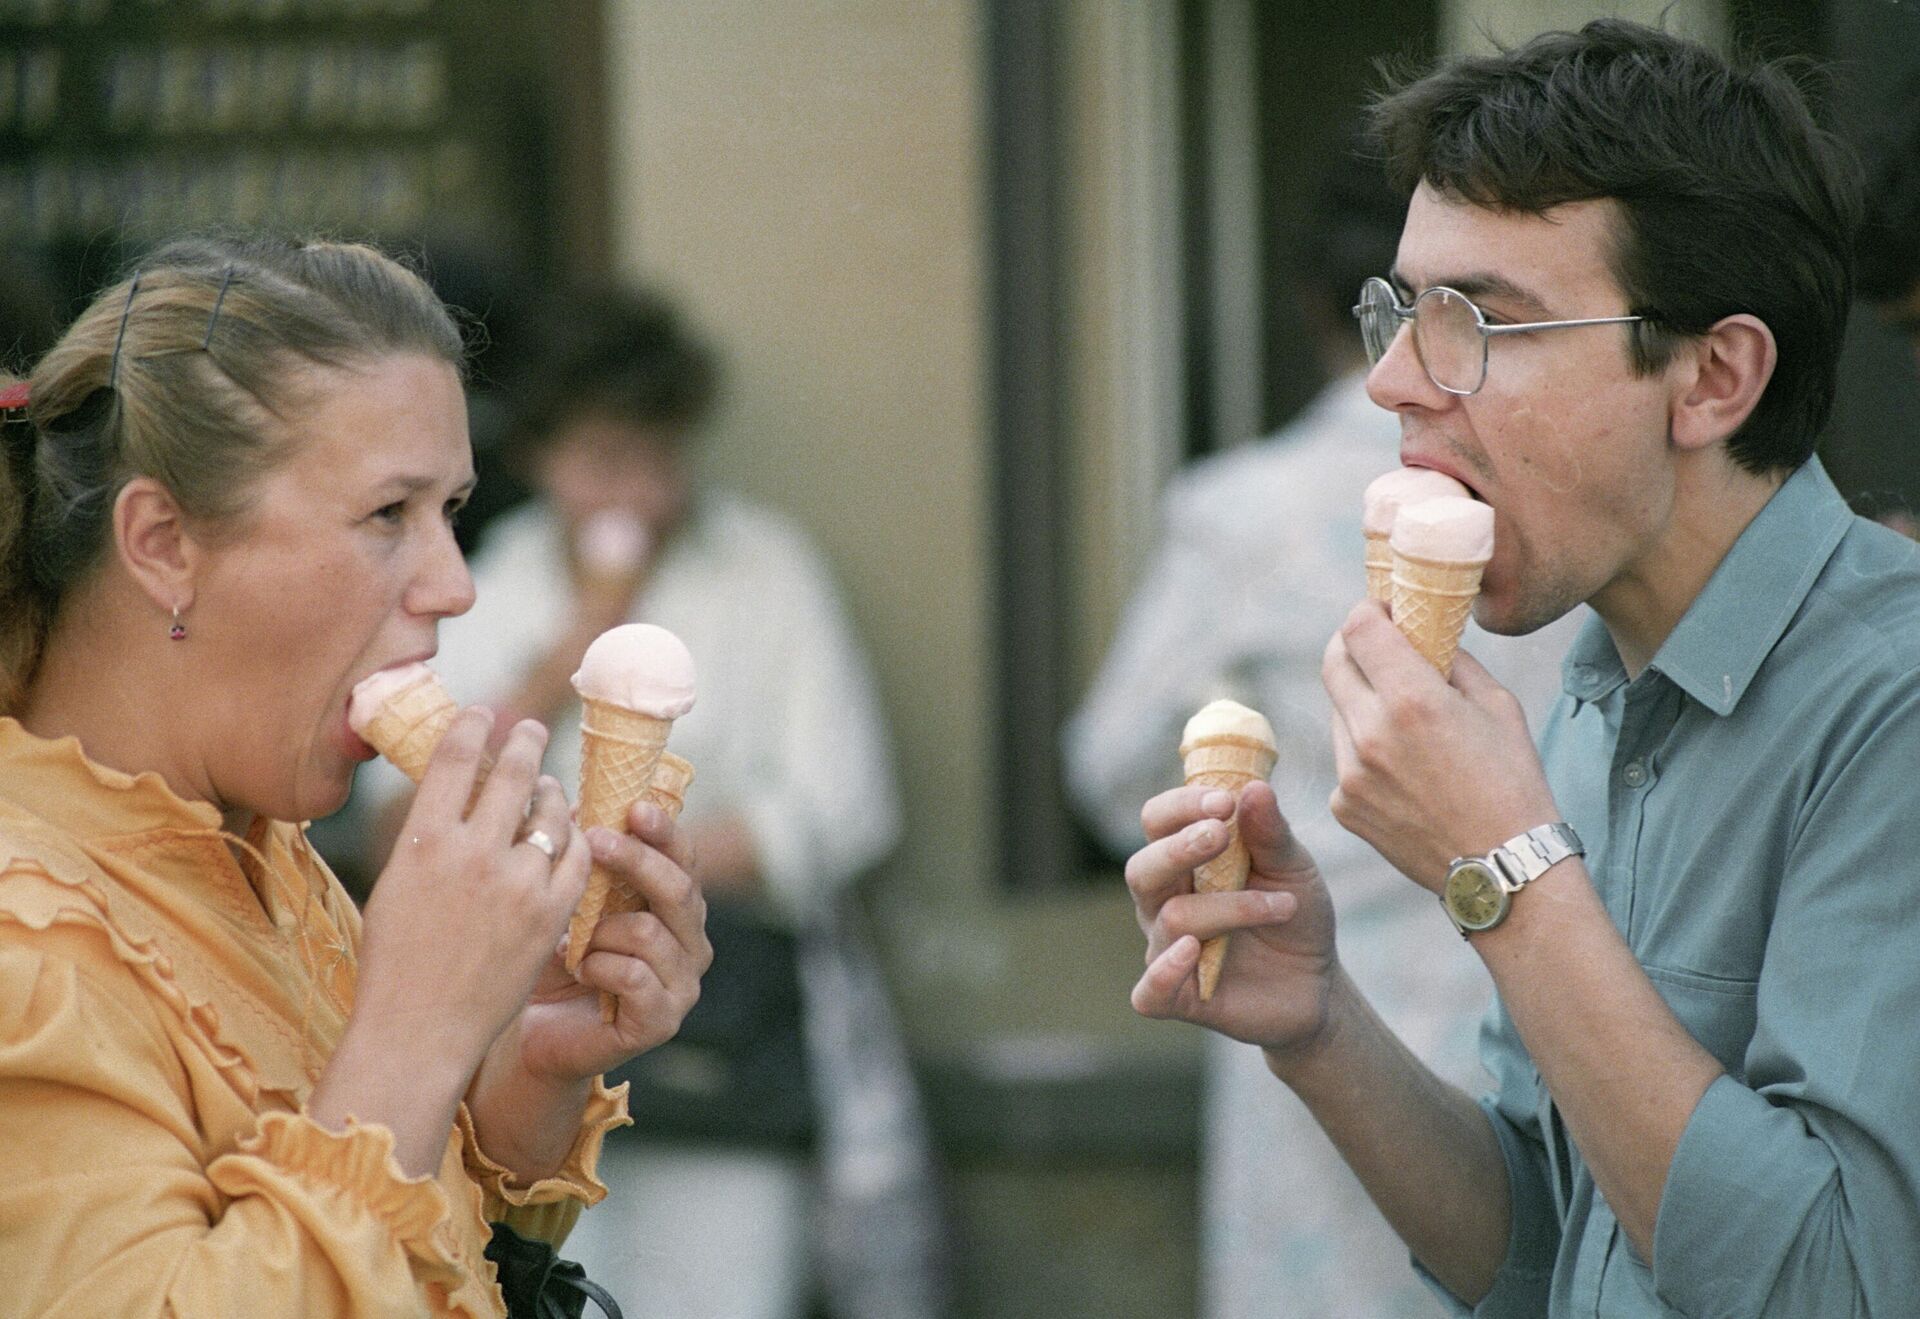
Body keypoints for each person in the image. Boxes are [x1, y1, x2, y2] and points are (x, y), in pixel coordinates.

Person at [1123, 20, 1920, 1317]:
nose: (1392, 379)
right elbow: (1556, 1239)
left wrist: (1501, 864)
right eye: (1399, 311)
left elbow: (1832, 1281)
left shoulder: (1893, 702)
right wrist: (1320, 1025)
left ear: (1714, 376)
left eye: (1476, 319)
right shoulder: (1599, 691)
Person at [0, 237, 711, 1317]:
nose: (455, 583)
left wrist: (531, 1066)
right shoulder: (25, 942)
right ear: (162, 540)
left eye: (454, 512)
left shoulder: (273, 861)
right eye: (390, 514)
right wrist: (416, 1025)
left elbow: (428, 1268)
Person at [354, 285, 948, 1319]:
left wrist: (635, 867)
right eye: (605, 460)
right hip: (516, 1024)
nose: (640, 490)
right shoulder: (490, 579)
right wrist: (570, 643)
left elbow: (842, 803)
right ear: (543, 454)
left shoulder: (764, 571)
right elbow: (385, 817)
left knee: (724, 1286)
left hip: (721, 1016)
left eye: (659, 457)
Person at [1064, 154, 1581, 1317]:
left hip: (1316, 966)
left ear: (1314, 305)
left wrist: (1238, 804)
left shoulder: (1242, 509)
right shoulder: (1574, 491)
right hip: (1567, 975)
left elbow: (1109, 764)